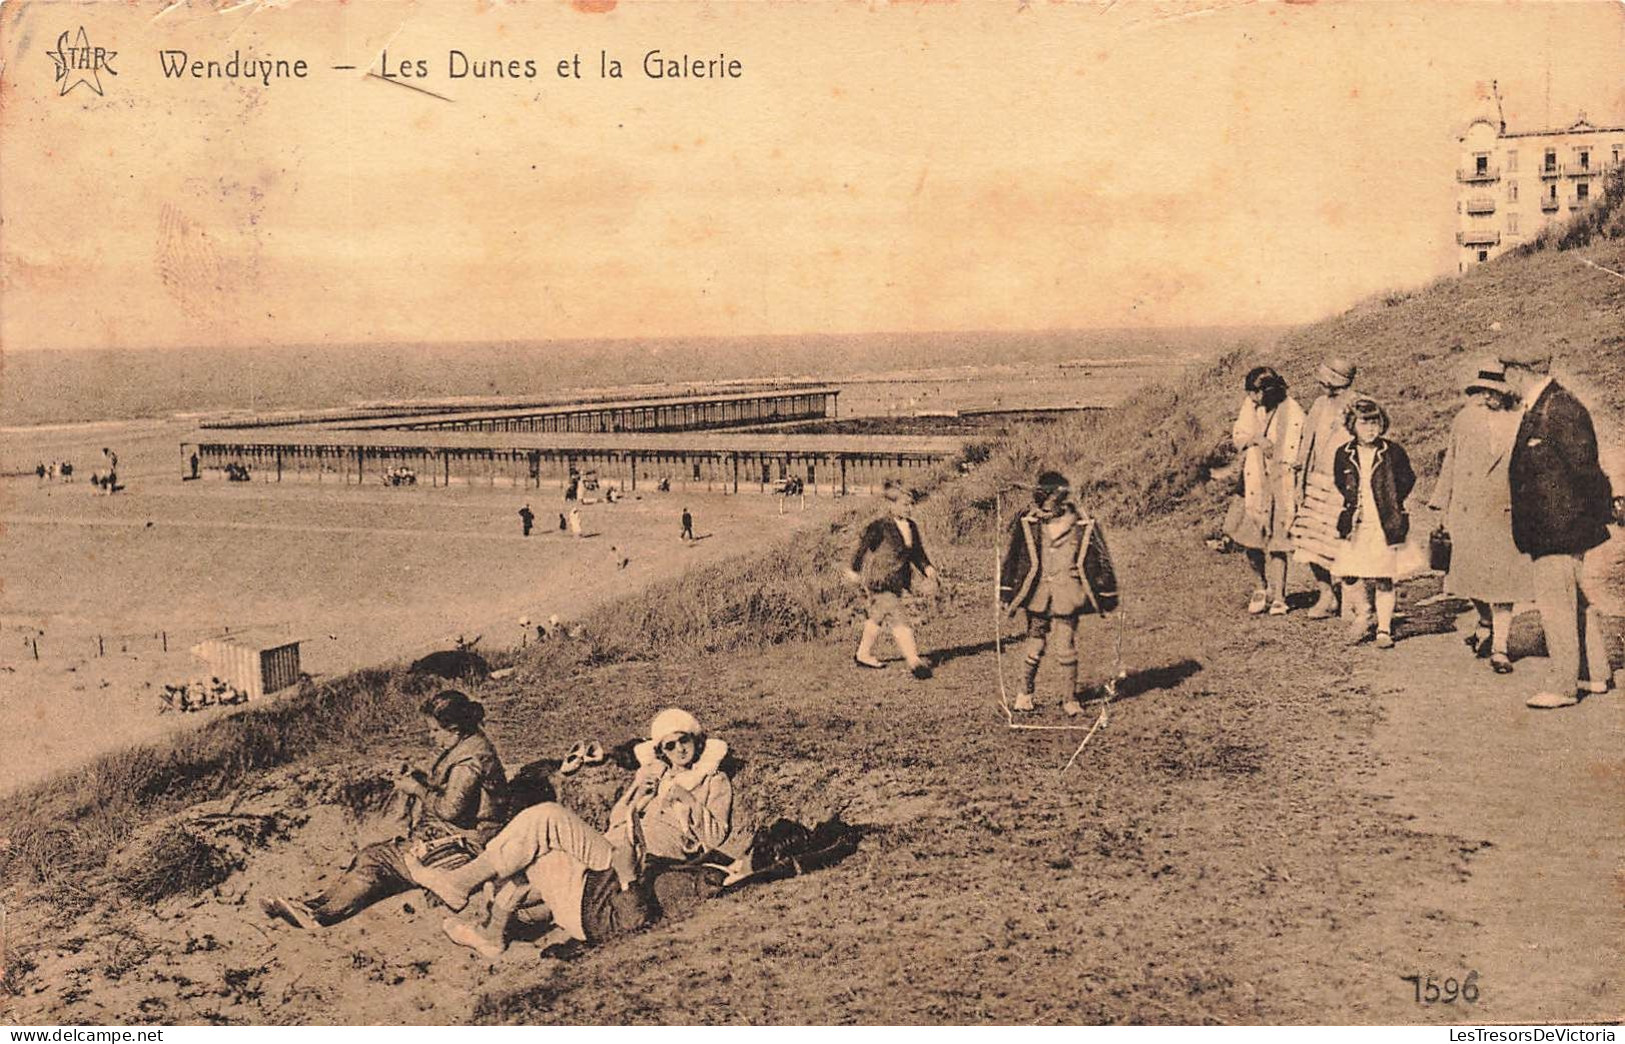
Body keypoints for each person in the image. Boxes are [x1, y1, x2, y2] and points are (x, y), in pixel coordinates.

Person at [419, 708, 738, 959]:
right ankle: (491, 934)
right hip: (612, 848)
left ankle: (461, 884)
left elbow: (716, 835)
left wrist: (689, 799)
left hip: (643, 860)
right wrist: (635, 795)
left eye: (685, 740)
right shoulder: (654, 774)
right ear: (662, 751)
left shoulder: (713, 780)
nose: (680, 749)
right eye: (671, 745)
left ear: (697, 740)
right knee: (536, 853)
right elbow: (616, 819)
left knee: (546, 816)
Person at [261, 690, 508, 929]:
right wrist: (419, 777)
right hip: (452, 834)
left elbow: (450, 809)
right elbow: (453, 792)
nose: (432, 736)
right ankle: (312, 905)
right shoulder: (468, 746)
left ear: (454, 730)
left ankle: (320, 914)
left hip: (467, 845)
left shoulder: (470, 760)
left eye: (435, 730)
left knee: (377, 859)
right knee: (373, 856)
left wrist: (416, 789)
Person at [1499, 342, 1615, 709]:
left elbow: (1586, 469)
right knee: (1575, 600)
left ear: (1520, 371)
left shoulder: (1559, 407)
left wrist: (1588, 521)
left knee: (1556, 606)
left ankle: (1564, 685)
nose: (1505, 380)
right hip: (1555, 527)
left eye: (1507, 372)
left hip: (1559, 529)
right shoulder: (1544, 405)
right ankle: (1595, 673)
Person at [1427, 360, 1533, 673]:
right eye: (1482, 391)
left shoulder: (1519, 421)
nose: (1488, 397)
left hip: (1505, 512)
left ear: (1506, 391)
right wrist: (1441, 506)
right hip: (1468, 511)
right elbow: (1451, 463)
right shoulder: (1465, 420)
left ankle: (1500, 647)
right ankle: (1485, 619)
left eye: (1493, 391)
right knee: (1469, 577)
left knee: (1503, 583)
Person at [999, 470, 1120, 715]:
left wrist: (1107, 592)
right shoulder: (1028, 523)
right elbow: (1013, 558)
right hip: (1038, 594)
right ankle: (1025, 693)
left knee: (1065, 645)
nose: (1048, 503)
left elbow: (1101, 557)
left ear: (1061, 497)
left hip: (1067, 593)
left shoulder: (1081, 523)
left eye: (1054, 497)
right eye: (1044, 498)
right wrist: (1006, 592)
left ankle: (1070, 699)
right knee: (1035, 643)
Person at [1332, 399, 1416, 649]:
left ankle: (1384, 628)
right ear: (1352, 425)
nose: (1370, 429)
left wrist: (1391, 501)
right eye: (1364, 423)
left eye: (1375, 423)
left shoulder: (1393, 452)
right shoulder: (1344, 454)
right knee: (1349, 572)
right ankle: (1365, 612)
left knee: (1383, 575)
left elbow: (1407, 479)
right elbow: (1340, 481)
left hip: (1384, 522)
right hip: (1357, 521)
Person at [1224, 366, 1305, 615]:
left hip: (1280, 483)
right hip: (1253, 480)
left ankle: (1280, 595)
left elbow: (1299, 446)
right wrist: (1258, 440)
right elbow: (1240, 435)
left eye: (1254, 393)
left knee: (1279, 542)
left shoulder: (1292, 411)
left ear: (1266, 391)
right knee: (1250, 538)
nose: (1251, 398)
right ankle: (1261, 586)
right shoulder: (1251, 408)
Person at [844, 480, 939, 679]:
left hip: (897, 580)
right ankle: (914, 661)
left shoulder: (911, 526)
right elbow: (862, 547)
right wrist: (854, 569)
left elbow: (916, 553)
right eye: (905, 504)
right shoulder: (880, 526)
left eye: (911, 504)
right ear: (892, 505)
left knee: (877, 616)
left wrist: (927, 568)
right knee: (897, 614)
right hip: (880, 579)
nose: (909, 508)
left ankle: (863, 653)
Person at [1290, 357, 1361, 619]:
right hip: (1316, 483)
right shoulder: (1319, 405)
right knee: (1310, 542)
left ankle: (1351, 599)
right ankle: (1326, 595)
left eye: (1326, 379)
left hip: (1344, 485)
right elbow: (1306, 444)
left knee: (1343, 541)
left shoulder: (1359, 405)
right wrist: (1300, 483)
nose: (1322, 383)